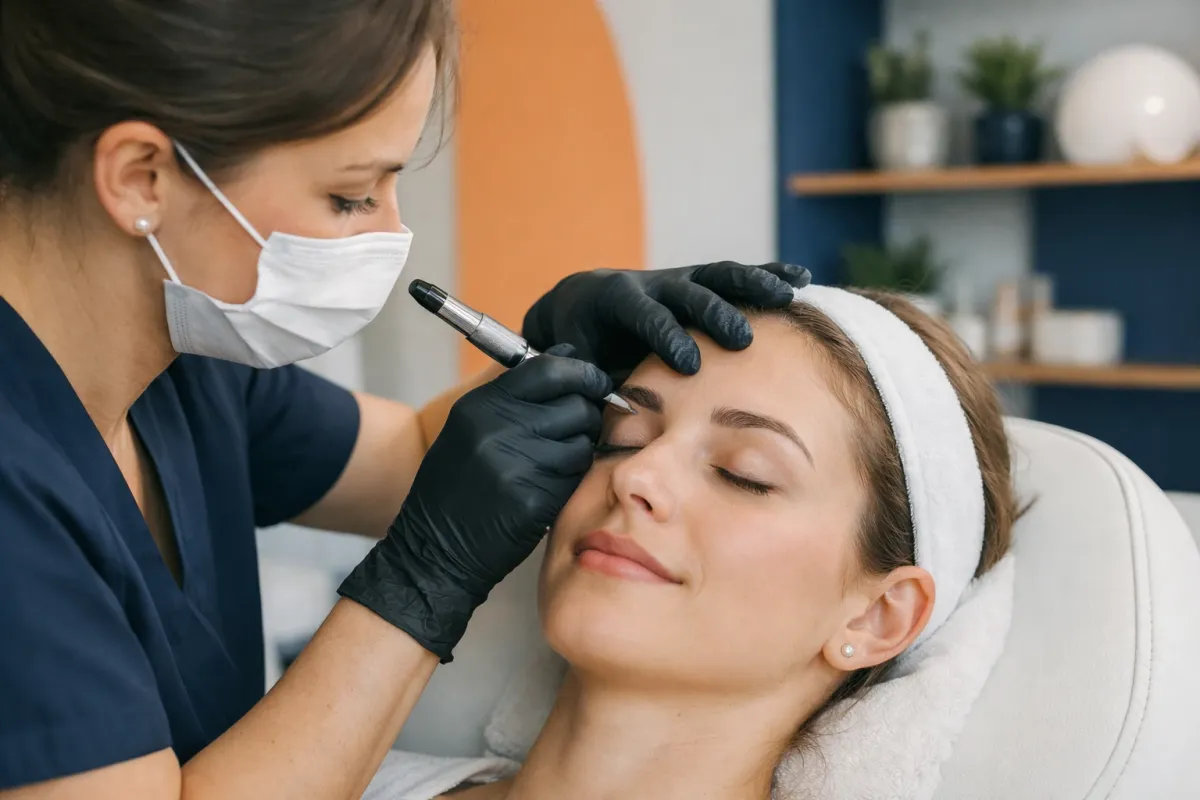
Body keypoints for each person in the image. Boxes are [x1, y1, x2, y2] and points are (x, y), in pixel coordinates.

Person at [0, 1, 811, 797]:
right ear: (141, 178)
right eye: (351, 195)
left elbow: (420, 459)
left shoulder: (187, 374)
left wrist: (574, 353)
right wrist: (422, 576)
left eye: (743, 472)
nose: (391, 234)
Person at [426, 289, 1019, 799]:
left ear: (877, 617)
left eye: (743, 474)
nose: (635, 475)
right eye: (619, 438)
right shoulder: (370, 770)